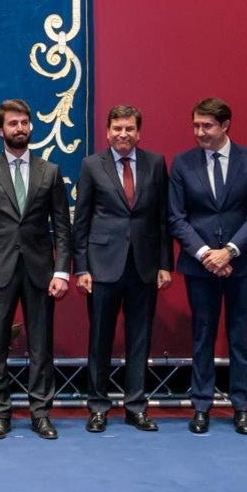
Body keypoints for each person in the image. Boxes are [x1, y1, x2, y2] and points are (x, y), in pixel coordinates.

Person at [0, 99, 72, 440]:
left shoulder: (50, 171)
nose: (20, 129)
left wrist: (62, 271)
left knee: (41, 346)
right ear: (1, 130)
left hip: (40, 270)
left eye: (24, 123)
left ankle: (41, 413)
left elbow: (61, 225)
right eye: (13, 124)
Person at [169, 97, 247, 435]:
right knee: (202, 336)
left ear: (225, 126)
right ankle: (201, 406)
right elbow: (177, 218)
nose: (200, 132)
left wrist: (229, 251)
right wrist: (206, 255)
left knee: (240, 336)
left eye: (207, 126)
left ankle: (242, 406)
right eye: (196, 125)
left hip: (243, 263)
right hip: (200, 266)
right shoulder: (182, 164)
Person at [74, 104, 173, 434]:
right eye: (117, 128)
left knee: (139, 341)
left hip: (144, 267)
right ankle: (98, 407)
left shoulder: (155, 163)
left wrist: (164, 263)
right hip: (102, 266)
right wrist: (81, 267)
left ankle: (136, 407)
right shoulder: (91, 165)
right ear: (107, 132)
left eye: (129, 128)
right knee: (99, 339)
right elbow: (82, 219)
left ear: (138, 132)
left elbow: (162, 217)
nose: (123, 134)